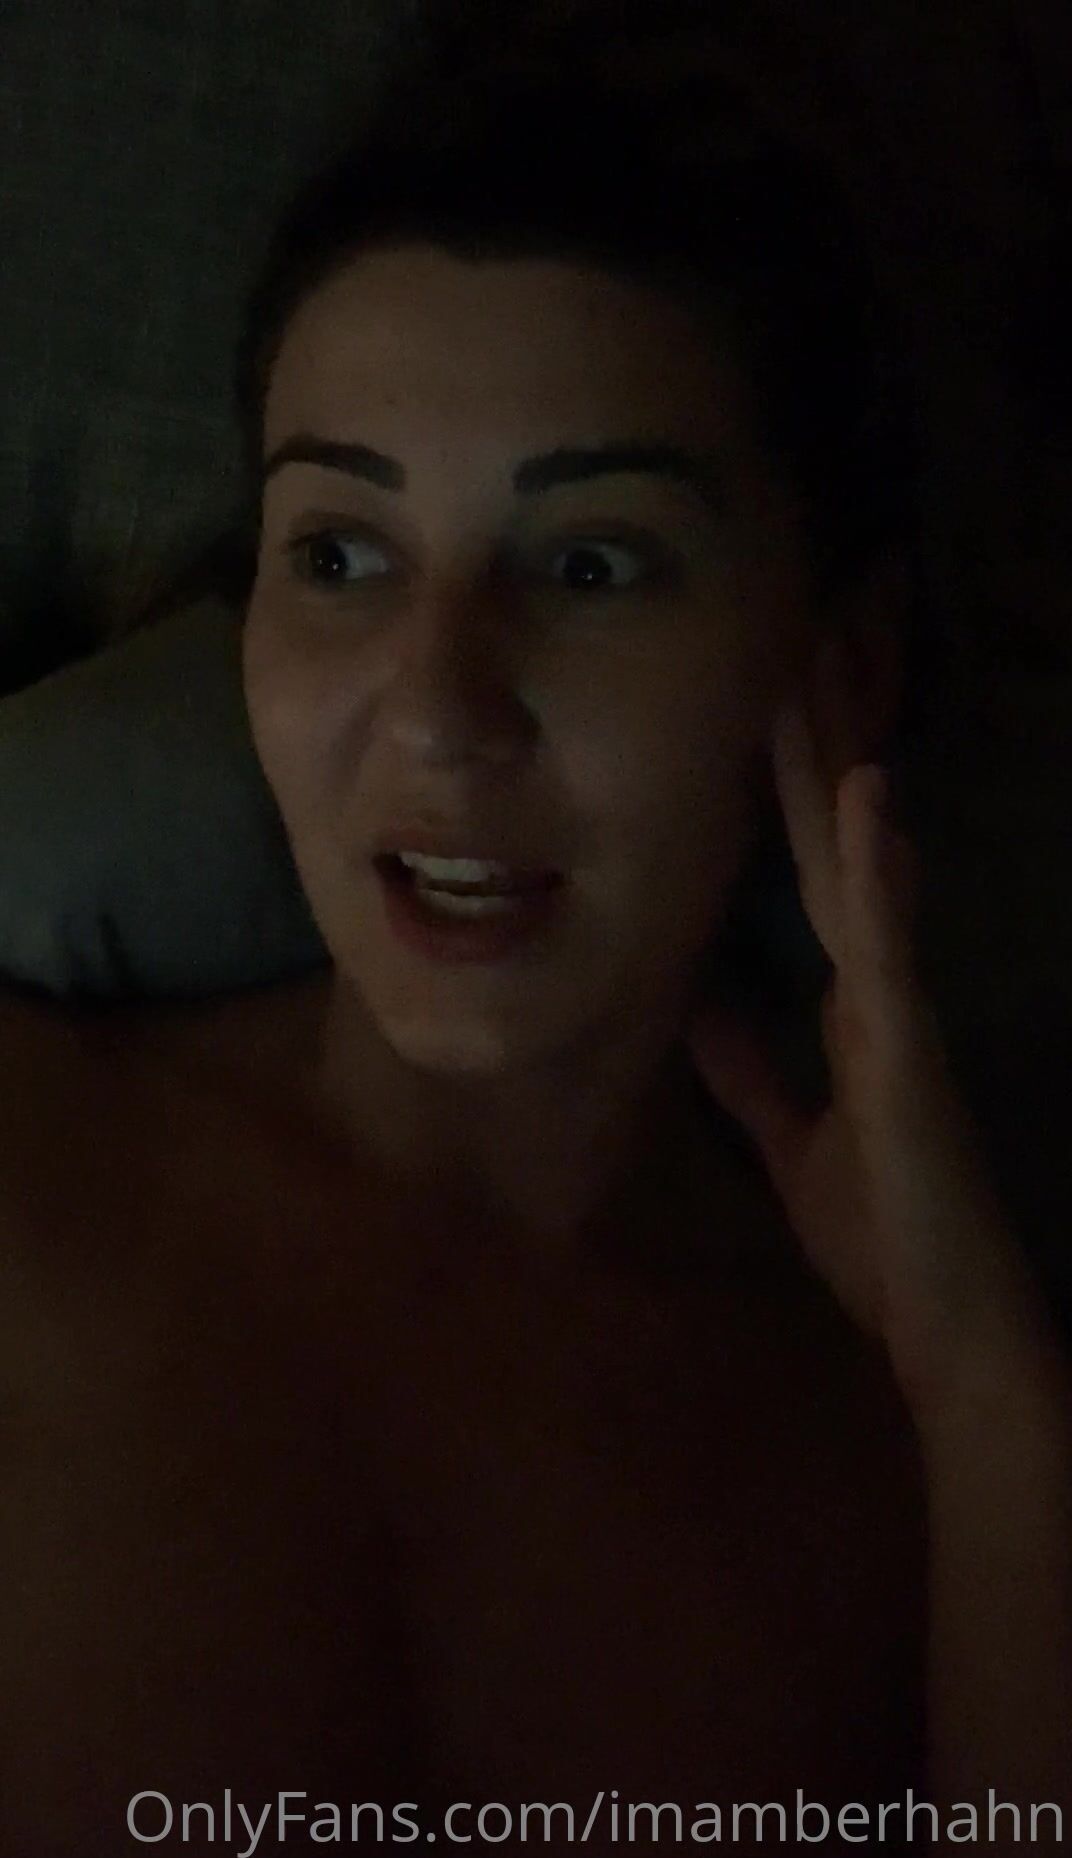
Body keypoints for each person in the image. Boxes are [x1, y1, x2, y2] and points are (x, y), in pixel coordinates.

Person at [3, 50, 1068, 1858]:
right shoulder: (32, 1169)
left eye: (592, 568)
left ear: (847, 662)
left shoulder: (912, 1468)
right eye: (341, 553)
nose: (440, 711)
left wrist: (990, 1403)